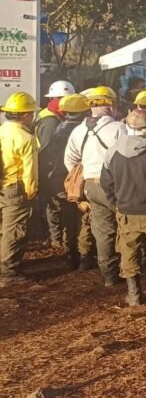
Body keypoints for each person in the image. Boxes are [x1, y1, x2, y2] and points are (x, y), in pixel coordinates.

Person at [101, 109, 146, 307]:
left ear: (127, 126)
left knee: (128, 252)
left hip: (125, 212)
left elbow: (106, 183)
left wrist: (117, 204)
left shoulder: (113, 151)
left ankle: (134, 295)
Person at [64, 86, 125, 286]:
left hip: (90, 186)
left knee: (102, 229)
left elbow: (70, 161)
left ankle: (108, 275)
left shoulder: (78, 130)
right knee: (124, 226)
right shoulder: (118, 128)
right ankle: (129, 269)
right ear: (110, 105)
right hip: (115, 185)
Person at [0, 92, 39, 285]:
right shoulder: (25, 137)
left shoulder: (2, 131)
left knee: (4, 228)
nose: (32, 117)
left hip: (3, 184)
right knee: (14, 230)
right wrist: (31, 191)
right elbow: (30, 170)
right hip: (16, 187)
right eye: (31, 113)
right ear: (24, 115)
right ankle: (8, 273)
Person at [35, 80, 75, 247]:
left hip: (51, 170)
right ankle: (56, 239)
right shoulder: (51, 122)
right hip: (51, 171)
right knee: (55, 206)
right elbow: (46, 151)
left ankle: (55, 237)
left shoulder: (49, 115)